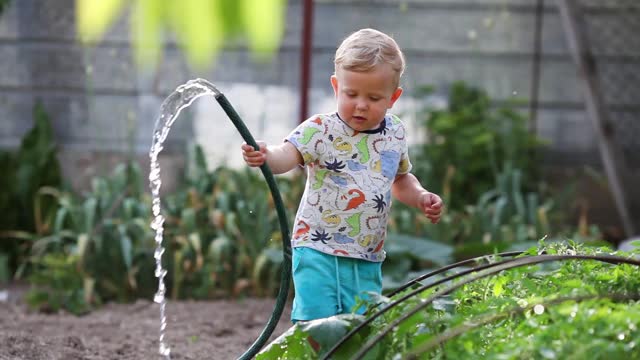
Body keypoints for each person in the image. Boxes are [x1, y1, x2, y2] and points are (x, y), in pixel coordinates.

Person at [241, 28, 443, 322]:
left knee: (360, 326)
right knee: (317, 323)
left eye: (374, 97)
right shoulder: (320, 129)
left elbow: (400, 179)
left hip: (366, 256)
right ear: (336, 87)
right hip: (316, 247)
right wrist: (265, 155)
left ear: (393, 97)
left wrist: (422, 196)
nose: (361, 104)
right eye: (351, 94)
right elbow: (287, 155)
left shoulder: (395, 132)